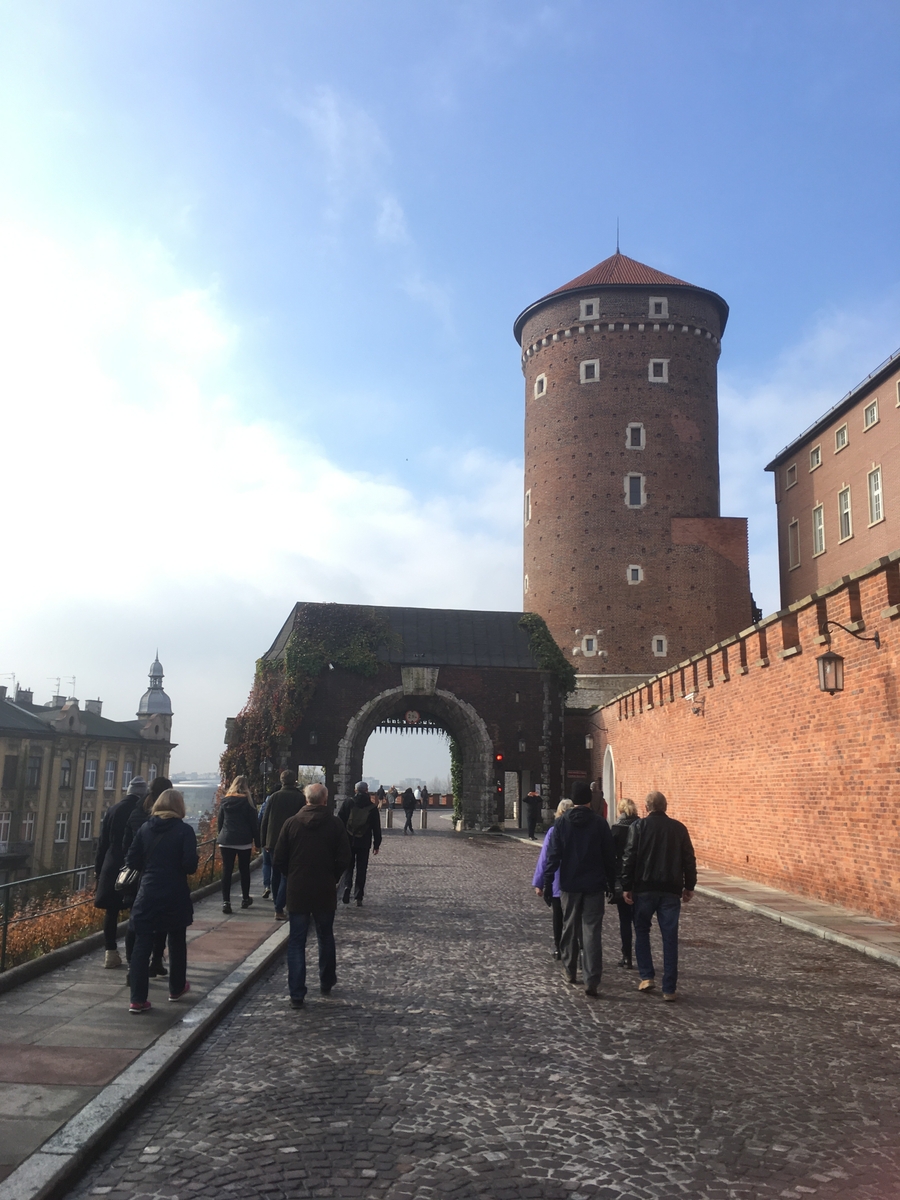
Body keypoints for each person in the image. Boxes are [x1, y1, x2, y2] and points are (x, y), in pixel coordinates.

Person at [273, 782, 351, 1008]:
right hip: (324, 889)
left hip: (297, 890)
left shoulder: (291, 824)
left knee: (297, 941)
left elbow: (279, 859)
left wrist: (293, 874)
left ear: (306, 800)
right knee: (325, 936)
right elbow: (345, 857)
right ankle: (326, 981)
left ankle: (297, 993)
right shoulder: (335, 825)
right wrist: (332, 876)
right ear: (325, 800)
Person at [124, 788, 199, 1013]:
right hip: (175, 892)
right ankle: (176, 988)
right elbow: (190, 865)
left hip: (147, 892)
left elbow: (132, 860)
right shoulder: (184, 831)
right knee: (176, 940)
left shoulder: (145, 829)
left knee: (142, 944)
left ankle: (137, 999)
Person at [621, 790, 697, 1002]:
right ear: (665, 807)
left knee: (642, 931)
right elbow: (689, 858)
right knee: (670, 938)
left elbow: (629, 857)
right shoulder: (679, 828)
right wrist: (689, 885)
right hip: (671, 890)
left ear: (646, 808)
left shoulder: (638, 827)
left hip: (644, 888)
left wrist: (626, 885)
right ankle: (669, 988)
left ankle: (647, 976)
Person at [542, 779, 616, 997]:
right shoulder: (599, 823)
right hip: (594, 885)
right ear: (589, 800)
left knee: (569, 926)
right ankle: (592, 977)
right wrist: (612, 882)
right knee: (592, 931)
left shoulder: (562, 824)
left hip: (570, 884)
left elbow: (553, 856)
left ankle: (569, 968)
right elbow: (609, 857)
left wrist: (548, 882)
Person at [94, 776, 150, 968]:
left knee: (111, 910)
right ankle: (133, 955)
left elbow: (102, 843)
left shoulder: (113, 809)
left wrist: (98, 870)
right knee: (135, 909)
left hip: (112, 863)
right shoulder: (142, 811)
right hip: (134, 865)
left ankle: (110, 952)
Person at [121, 775, 172, 981]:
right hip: (158, 877)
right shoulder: (166, 819)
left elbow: (127, 847)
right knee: (160, 923)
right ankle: (156, 961)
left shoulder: (136, 812)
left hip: (136, 877)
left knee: (135, 922)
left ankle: (132, 966)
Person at [260, 770, 306, 920]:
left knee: (276, 872)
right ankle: (280, 906)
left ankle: (277, 904)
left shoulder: (274, 797)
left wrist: (264, 842)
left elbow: (265, 820)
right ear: (295, 781)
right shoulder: (300, 798)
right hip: (292, 840)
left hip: (273, 840)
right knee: (287, 874)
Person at [532, 798, 573, 958]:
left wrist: (539, 882)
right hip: (573, 880)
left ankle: (559, 947)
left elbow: (545, 858)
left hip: (556, 880)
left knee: (558, 916)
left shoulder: (554, 831)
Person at [218, 776, 260, 914]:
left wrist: (222, 836)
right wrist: (258, 842)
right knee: (244, 870)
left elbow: (220, 821)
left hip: (226, 839)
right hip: (243, 840)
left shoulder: (225, 801)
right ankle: (245, 898)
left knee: (227, 871)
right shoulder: (248, 802)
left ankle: (226, 901)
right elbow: (254, 824)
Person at [337, 782, 382, 906]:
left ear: (355, 790)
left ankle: (347, 886)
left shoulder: (348, 803)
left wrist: (339, 840)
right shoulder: (372, 807)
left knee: (348, 866)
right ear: (367, 790)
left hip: (348, 841)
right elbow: (376, 828)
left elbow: (340, 822)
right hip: (364, 842)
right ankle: (358, 896)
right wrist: (376, 845)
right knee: (361, 869)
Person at [610, 797, 640, 969]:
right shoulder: (642, 827)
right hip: (640, 879)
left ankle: (627, 956)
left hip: (622, 878)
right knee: (640, 922)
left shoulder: (616, 829)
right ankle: (641, 955)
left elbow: (611, 856)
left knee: (625, 920)